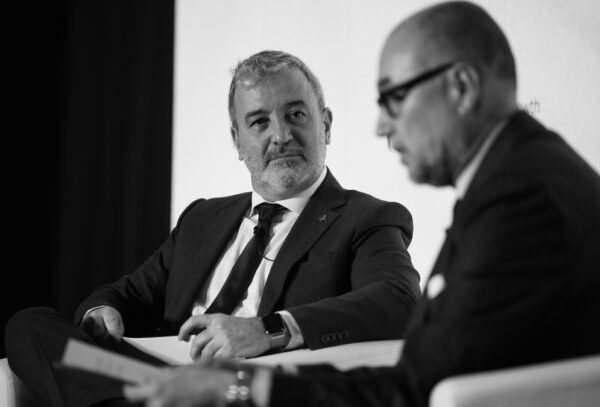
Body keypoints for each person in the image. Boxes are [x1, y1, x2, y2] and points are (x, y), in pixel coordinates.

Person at [122, 2, 600, 407]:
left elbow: (413, 387)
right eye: (259, 122)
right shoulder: (519, 178)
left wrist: (242, 386)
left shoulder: (520, 200)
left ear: (461, 87)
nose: (381, 126)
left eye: (394, 98)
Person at [4, 50, 421, 406]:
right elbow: (128, 295)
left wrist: (267, 331)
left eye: (296, 114)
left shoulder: (365, 218)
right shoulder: (203, 219)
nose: (281, 135)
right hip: (155, 376)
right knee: (30, 326)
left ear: (325, 125)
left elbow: (398, 301)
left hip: (241, 388)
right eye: (259, 122)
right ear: (237, 140)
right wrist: (103, 312)